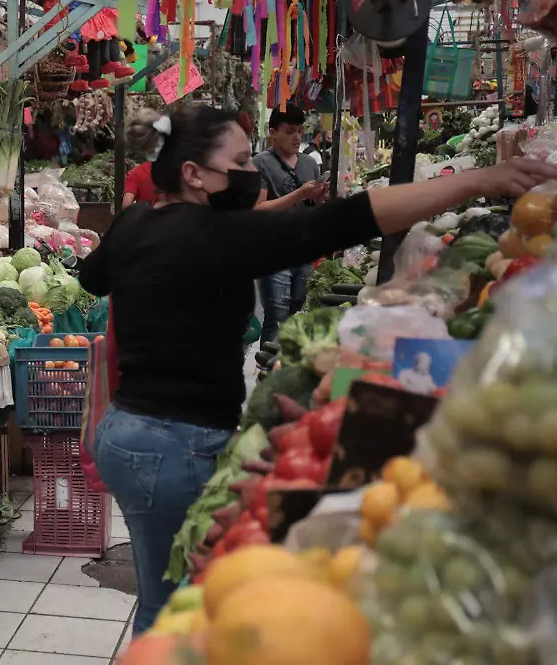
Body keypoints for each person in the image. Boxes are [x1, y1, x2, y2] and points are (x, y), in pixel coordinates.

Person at [79, 104, 557, 635]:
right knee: (175, 611)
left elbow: (92, 277)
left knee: (164, 593)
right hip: (174, 445)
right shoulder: (212, 238)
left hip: (126, 432)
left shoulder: (138, 221)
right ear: (194, 173)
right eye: (238, 161)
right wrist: (477, 181)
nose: (249, 173)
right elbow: (346, 220)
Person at [252, 104, 327, 346]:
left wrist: (320, 199)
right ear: (273, 132)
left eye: (299, 131)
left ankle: (283, 365)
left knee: (296, 307)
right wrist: (299, 194)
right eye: (289, 131)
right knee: (276, 315)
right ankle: (269, 374)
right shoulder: (260, 163)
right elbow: (257, 209)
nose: (297, 137)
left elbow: (311, 206)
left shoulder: (309, 163)